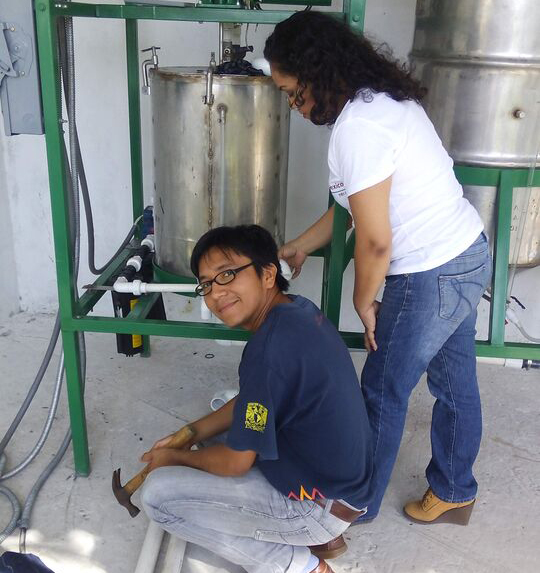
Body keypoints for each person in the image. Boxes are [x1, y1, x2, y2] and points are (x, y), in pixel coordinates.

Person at [264, 10, 492, 525]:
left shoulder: (360, 128)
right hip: (465, 253)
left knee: (382, 392)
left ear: (319, 73)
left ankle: (352, 504)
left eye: (294, 93)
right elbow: (354, 206)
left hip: (427, 274)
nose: (295, 107)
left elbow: (374, 241)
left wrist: (363, 300)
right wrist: (301, 244)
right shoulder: (381, 102)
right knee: (455, 384)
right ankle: (455, 489)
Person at [140, 225, 373, 573]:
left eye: (228, 274)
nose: (216, 293)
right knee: (219, 421)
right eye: (206, 284)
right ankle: (318, 538)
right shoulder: (297, 310)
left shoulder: (269, 351)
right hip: (341, 487)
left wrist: (174, 459)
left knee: (157, 496)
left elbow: (236, 463)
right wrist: (189, 433)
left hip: (315, 506)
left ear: (267, 274)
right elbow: (255, 399)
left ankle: (300, 565)